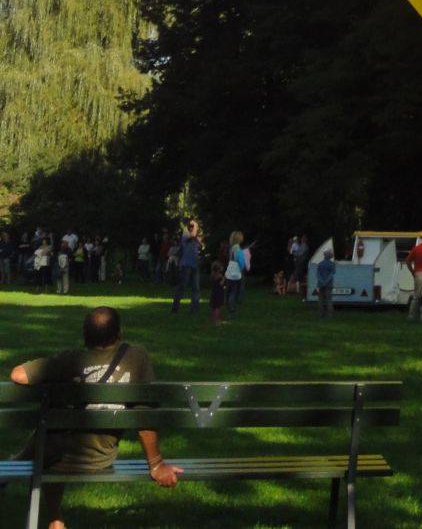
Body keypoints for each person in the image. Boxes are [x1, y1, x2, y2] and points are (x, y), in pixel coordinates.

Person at [9, 305, 182, 529]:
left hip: (55, 458)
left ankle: (54, 517)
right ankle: (54, 518)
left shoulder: (70, 360)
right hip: (101, 456)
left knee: (52, 436)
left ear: (85, 337)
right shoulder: (136, 357)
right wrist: (156, 464)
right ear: (119, 334)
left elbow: (17, 375)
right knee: (55, 434)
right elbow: (145, 416)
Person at [171, 220, 202, 313]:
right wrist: (195, 227)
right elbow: (191, 236)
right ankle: (175, 308)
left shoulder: (195, 237)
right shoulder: (186, 235)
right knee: (182, 287)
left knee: (196, 288)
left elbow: (200, 244)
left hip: (195, 265)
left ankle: (194, 309)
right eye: (192, 226)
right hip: (186, 265)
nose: (194, 227)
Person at [224, 231, 247, 316]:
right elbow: (241, 261)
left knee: (229, 290)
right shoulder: (238, 249)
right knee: (234, 291)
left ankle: (228, 305)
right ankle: (232, 309)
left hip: (230, 272)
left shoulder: (231, 248)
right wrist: (243, 267)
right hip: (236, 273)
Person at [315, 250, 336, 317]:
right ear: (330, 256)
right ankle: (329, 314)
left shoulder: (320, 263)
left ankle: (321, 313)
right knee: (328, 299)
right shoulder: (332, 264)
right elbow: (332, 274)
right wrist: (326, 281)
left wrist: (321, 281)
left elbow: (317, 274)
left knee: (320, 299)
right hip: (329, 284)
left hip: (320, 284)